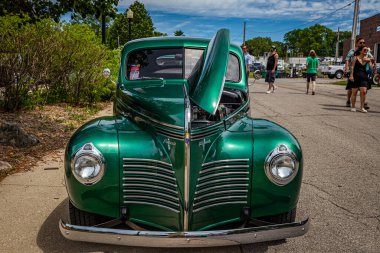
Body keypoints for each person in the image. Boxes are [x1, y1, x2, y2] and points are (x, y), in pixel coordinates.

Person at [344, 37, 373, 108]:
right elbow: (347, 59)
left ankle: (364, 103)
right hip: (354, 71)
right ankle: (348, 100)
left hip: (364, 72)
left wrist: (371, 63)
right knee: (351, 88)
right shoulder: (353, 50)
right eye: (360, 42)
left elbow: (372, 58)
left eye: (363, 42)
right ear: (357, 43)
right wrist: (347, 68)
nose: (362, 44)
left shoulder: (366, 50)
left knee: (364, 88)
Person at [349, 47, 372, 113]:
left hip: (364, 77)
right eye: (365, 50)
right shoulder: (355, 58)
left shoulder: (367, 59)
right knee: (354, 92)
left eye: (367, 50)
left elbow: (370, 68)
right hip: (355, 77)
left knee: (364, 91)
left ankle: (362, 107)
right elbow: (352, 67)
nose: (366, 51)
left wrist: (369, 61)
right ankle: (353, 107)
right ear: (360, 51)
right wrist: (351, 75)